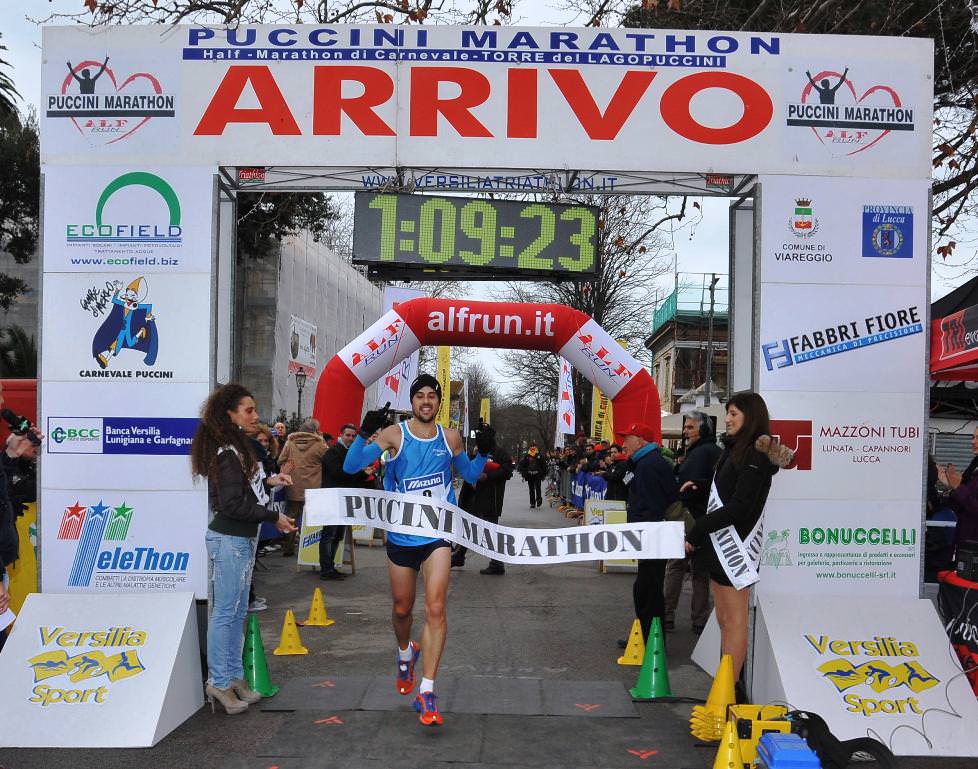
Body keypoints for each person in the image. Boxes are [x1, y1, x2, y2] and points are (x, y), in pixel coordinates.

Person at [342, 374, 493, 726]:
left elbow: (469, 475)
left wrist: (482, 452)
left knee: (436, 606)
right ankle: (405, 651)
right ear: (412, 401)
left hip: (437, 536)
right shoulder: (394, 434)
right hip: (401, 537)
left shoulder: (450, 437)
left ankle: (427, 691)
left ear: (439, 402)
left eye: (432, 396)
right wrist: (365, 433)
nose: (426, 401)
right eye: (420, 396)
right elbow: (350, 467)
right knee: (401, 609)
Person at [190, 384, 295, 714]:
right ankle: (219, 682)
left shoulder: (235, 450)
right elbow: (233, 504)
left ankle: (232, 677)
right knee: (225, 613)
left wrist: (269, 484)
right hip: (230, 540)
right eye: (248, 410)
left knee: (236, 612)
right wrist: (273, 516)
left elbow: (241, 492)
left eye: (254, 409)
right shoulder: (226, 453)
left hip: (240, 540)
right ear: (230, 415)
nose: (255, 416)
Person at [683, 392, 791, 685]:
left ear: (750, 417)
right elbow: (728, 489)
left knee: (734, 622)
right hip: (719, 545)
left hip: (736, 546)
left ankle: (727, 691)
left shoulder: (755, 454)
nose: (727, 419)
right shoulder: (734, 450)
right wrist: (701, 485)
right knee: (723, 621)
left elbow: (742, 506)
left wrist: (699, 528)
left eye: (734, 413)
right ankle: (724, 687)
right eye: (728, 413)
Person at [616, 422, 677, 643]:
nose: (623, 445)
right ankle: (647, 636)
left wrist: (639, 535)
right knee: (646, 588)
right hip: (650, 535)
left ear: (640, 441)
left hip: (652, 536)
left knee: (647, 590)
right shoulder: (643, 463)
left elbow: (651, 506)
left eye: (627, 439)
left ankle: (650, 640)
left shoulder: (649, 465)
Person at [664, 411, 721, 634]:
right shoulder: (701, 452)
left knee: (678, 568)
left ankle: (668, 615)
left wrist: (694, 485)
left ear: (704, 429)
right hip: (702, 519)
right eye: (685, 427)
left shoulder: (706, 453)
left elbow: (714, 484)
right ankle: (699, 621)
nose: (685, 432)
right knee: (699, 572)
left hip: (691, 518)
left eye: (690, 427)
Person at [319, 423, 371, 580]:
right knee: (329, 534)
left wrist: (363, 475)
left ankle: (331, 566)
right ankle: (326, 569)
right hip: (332, 497)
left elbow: (350, 478)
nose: (350, 438)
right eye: (348, 435)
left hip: (345, 498)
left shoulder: (351, 453)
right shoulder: (332, 452)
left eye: (353, 436)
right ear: (340, 436)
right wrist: (361, 473)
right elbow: (338, 474)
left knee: (338, 535)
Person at [453, 440, 513, 574]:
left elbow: (507, 472)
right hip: (472, 496)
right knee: (467, 526)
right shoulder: (476, 451)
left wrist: (487, 476)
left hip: (490, 497)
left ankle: (497, 563)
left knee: (490, 529)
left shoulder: (501, 453)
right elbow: (466, 468)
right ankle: (459, 555)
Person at [276, 418, 328, 557]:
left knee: (292, 517)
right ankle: (310, 551)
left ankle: (288, 548)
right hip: (313, 487)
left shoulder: (290, 442)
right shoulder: (319, 444)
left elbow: (281, 460)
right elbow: (328, 459)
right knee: (313, 518)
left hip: (293, 485)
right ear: (315, 430)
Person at [938, 427, 978, 556]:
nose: (973, 442)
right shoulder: (974, 466)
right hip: (966, 540)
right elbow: (962, 503)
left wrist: (957, 488)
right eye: (973, 437)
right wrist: (951, 485)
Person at [518, 443, 546, 508]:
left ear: (536, 447)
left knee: (538, 488)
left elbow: (543, 465)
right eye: (532, 446)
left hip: (537, 474)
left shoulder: (539, 455)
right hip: (529, 474)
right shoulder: (527, 456)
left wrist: (543, 474)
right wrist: (524, 474)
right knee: (531, 489)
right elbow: (523, 465)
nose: (533, 448)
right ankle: (532, 503)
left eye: (534, 446)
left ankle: (539, 499)